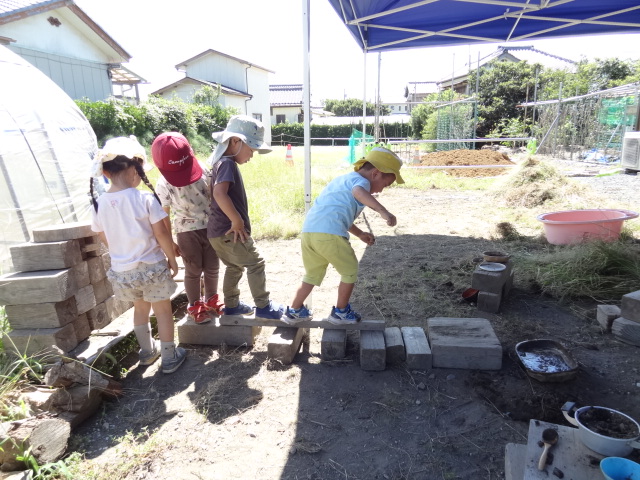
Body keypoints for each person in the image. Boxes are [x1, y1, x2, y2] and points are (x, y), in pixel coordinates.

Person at [89, 136, 187, 374]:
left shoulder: (99, 203)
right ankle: (169, 356)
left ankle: (146, 352)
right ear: (134, 170)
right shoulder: (142, 199)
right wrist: (172, 260)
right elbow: (162, 233)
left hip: (123, 272)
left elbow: (104, 237)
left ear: (106, 172)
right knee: (163, 310)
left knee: (140, 309)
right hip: (151, 266)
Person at [283, 147, 404, 325]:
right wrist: (383, 211)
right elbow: (359, 193)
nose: (381, 191)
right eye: (385, 185)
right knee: (350, 270)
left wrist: (360, 234)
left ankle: (294, 311)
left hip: (310, 233)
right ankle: (340, 312)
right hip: (329, 235)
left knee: (312, 274)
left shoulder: (343, 180)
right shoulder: (360, 183)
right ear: (376, 173)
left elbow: (338, 217)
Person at [207, 115, 285, 319]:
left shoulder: (219, 163)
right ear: (235, 141)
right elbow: (219, 193)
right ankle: (263, 306)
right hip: (230, 230)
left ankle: (232, 305)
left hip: (216, 232)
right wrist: (237, 220)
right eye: (252, 149)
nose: (252, 155)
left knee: (234, 267)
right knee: (256, 263)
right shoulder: (227, 164)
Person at [151, 132, 224, 325]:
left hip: (211, 229)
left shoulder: (203, 170)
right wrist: (170, 240)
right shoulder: (163, 182)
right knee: (192, 270)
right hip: (186, 233)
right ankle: (195, 305)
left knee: (212, 267)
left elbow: (216, 197)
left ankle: (211, 299)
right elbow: (163, 213)